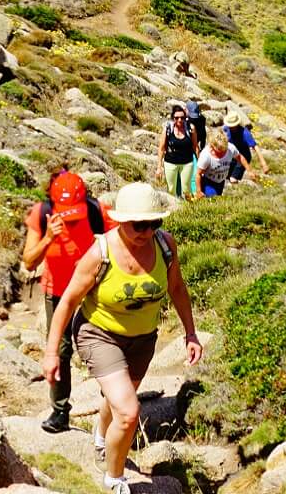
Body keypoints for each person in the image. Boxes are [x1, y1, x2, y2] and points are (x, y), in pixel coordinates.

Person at [43, 182, 202, 494]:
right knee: (128, 412)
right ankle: (114, 478)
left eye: (154, 223)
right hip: (99, 334)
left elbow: (178, 289)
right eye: (138, 225)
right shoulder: (99, 254)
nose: (146, 231)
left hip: (143, 339)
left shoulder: (165, 246)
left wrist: (191, 333)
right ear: (120, 221)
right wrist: (51, 353)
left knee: (119, 400)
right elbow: (68, 302)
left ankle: (102, 438)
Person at [20, 169, 106, 433]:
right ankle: (60, 412)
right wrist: (49, 237)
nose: (70, 220)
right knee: (60, 350)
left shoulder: (96, 211)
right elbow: (29, 261)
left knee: (103, 345)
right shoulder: (41, 213)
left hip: (92, 287)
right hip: (57, 289)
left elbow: (119, 241)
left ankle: (112, 404)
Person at [159, 103, 197, 200]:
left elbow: (195, 146)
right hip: (170, 162)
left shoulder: (190, 128)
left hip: (187, 163)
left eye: (182, 117)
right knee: (171, 189)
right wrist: (159, 167)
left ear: (185, 117)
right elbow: (161, 148)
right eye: (176, 118)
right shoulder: (168, 129)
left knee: (186, 189)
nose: (180, 120)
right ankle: (172, 210)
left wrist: (199, 162)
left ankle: (189, 209)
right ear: (173, 118)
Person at [222, 108, 262, 184]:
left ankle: (236, 192)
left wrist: (263, 163)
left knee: (233, 178)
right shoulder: (226, 129)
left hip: (243, 156)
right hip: (232, 156)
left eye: (232, 125)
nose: (231, 127)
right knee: (226, 176)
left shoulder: (245, 133)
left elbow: (255, 147)